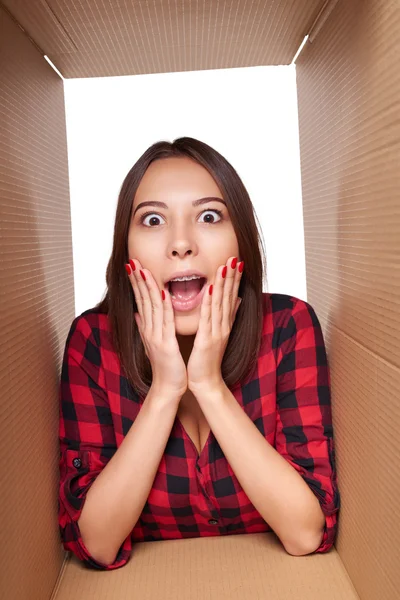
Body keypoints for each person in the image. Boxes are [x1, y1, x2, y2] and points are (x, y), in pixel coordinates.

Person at [58, 136, 340, 571]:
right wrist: (166, 389)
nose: (181, 243)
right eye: (152, 220)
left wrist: (208, 385)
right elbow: (95, 542)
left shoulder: (288, 326)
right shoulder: (93, 343)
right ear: (125, 250)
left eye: (209, 216)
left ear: (240, 240)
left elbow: (306, 532)